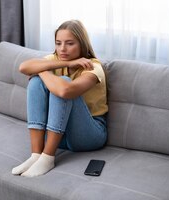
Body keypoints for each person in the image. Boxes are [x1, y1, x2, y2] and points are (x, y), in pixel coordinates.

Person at [12, 20, 108, 177]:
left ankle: (48, 157)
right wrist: (60, 65)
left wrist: (41, 70)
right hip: (58, 135)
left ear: (82, 44)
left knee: (60, 82)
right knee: (36, 81)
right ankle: (36, 155)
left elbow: (65, 91)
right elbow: (23, 67)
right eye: (58, 43)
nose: (62, 49)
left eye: (70, 43)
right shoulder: (57, 59)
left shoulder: (93, 67)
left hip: (89, 134)